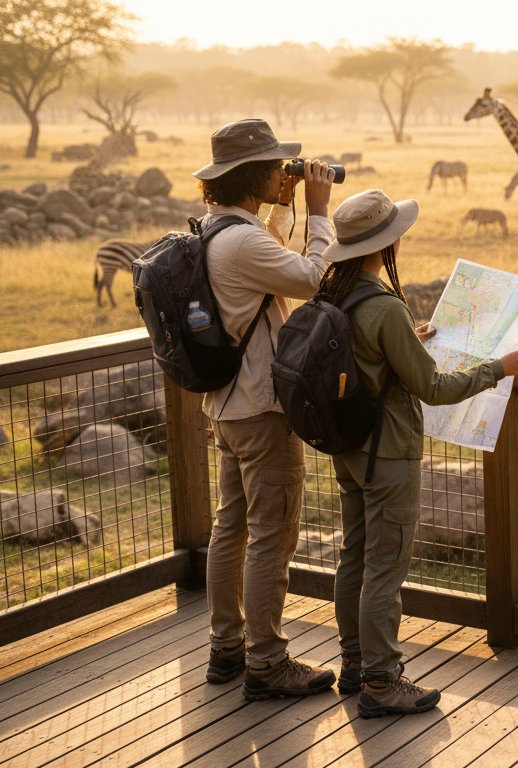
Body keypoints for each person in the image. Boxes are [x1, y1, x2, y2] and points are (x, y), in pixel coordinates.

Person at [319, 189, 518, 718]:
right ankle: (382, 681)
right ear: (386, 243)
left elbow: (367, 361)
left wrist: (407, 340)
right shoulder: (384, 305)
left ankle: (353, 664)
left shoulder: (333, 294)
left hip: (348, 449)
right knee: (386, 569)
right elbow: (433, 387)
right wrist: (498, 368)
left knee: (356, 557)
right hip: (387, 454)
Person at [193, 118, 341, 699]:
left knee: (230, 529)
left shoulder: (215, 231)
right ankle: (267, 662)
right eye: (279, 168)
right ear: (258, 176)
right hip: (261, 408)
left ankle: (226, 648)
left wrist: (283, 204)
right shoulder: (242, 241)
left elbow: (267, 252)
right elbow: (313, 277)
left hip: (227, 408)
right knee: (272, 536)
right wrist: (320, 209)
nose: (289, 174)